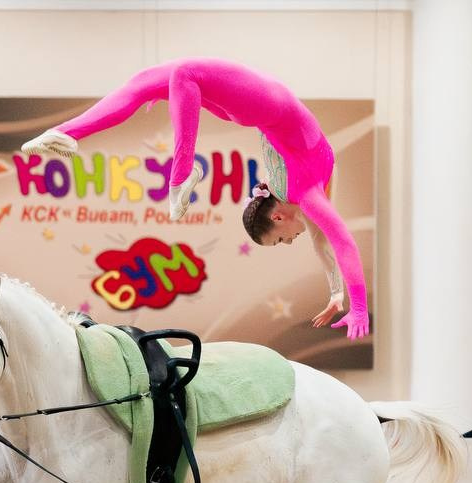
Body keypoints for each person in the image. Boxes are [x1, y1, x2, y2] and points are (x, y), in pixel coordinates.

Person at [21, 58, 369, 338]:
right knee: (170, 78)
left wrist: (338, 293)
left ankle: (69, 133)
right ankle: (169, 170)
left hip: (259, 108)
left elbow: (323, 243)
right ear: (277, 217)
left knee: (161, 81)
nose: (290, 241)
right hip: (265, 105)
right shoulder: (306, 195)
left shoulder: (302, 192)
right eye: (281, 240)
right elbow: (341, 244)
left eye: (281, 242)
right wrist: (355, 306)